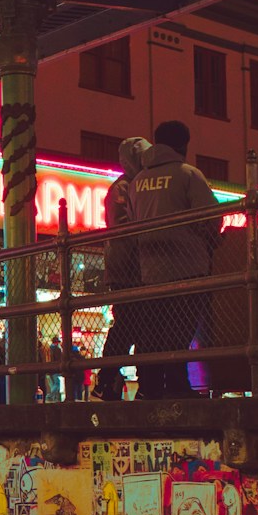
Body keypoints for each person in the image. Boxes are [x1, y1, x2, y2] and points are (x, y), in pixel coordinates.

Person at [124, 120, 221, 398]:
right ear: (183, 145)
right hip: (187, 266)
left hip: (150, 272)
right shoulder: (188, 174)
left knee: (154, 333)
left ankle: (151, 388)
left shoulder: (137, 182)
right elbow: (210, 217)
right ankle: (178, 387)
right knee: (180, 332)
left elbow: (131, 224)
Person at [95, 137, 152, 400]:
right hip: (129, 269)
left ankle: (110, 384)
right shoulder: (125, 187)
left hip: (130, 268)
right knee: (129, 327)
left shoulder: (130, 185)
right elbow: (128, 226)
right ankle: (106, 382)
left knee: (134, 327)